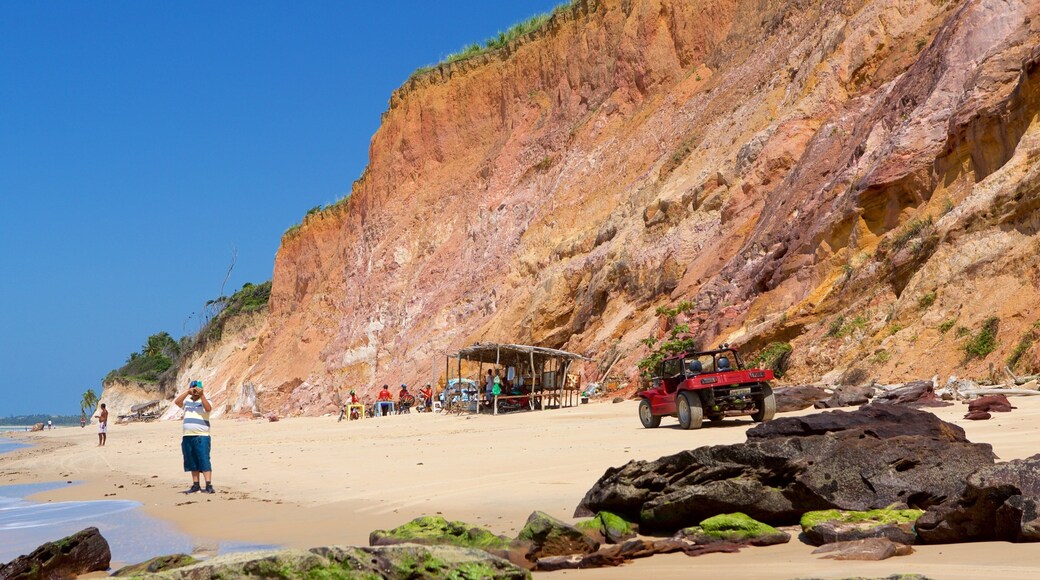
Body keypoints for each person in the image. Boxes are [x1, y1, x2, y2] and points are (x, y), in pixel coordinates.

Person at [175, 380, 214, 494]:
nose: (195, 391)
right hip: (187, 435)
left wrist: (202, 395)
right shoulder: (187, 402)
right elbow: (177, 402)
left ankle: (208, 485)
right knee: (192, 460)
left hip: (202, 436)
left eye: (198, 389)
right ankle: (196, 485)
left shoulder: (206, 401)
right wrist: (187, 392)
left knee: (204, 459)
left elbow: (208, 409)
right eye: (194, 389)